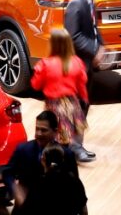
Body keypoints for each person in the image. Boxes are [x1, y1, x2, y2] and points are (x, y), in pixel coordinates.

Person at [63, 0, 106, 156]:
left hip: (88, 64)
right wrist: (95, 50)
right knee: (76, 107)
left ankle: (77, 145)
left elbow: (94, 29)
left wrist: (102, 46)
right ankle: (73, 147)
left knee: (84, 104)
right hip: (77, 66)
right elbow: (73, 36)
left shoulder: (89, 3)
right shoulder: (76, 5)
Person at [2, 110, 80, 213]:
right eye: (37, 129)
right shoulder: (23, 150)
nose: (38, 134)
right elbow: (7, 172)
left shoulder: (66, 155)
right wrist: (15, 189)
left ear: (55, 131)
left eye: (43, 130)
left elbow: (74, 186)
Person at [31, 29, 90, 162]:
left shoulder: (45, 64)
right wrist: (85, 99)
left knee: (55, 133)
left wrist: (37, 72)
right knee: (75, 130)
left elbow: (35, 85)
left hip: (54, 105)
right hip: (72, 103)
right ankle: (77, 150)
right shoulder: (77, 62)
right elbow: (82, 84)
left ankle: (54, 157)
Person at [21, 143, 87, 215]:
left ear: (42, 159)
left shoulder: (39, 184)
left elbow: (26, 210)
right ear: (62, 159)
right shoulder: (74, 180)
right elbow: (83, 209)